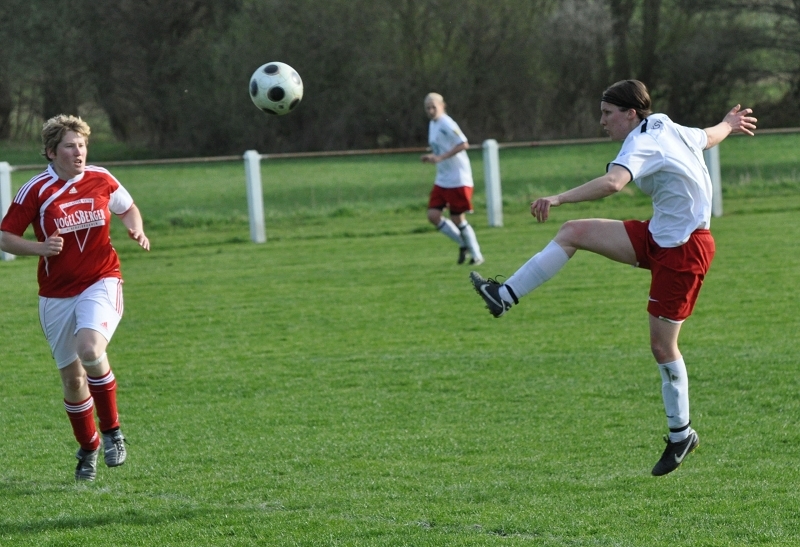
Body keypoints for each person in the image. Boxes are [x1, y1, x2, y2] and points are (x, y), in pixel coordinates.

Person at [470, 80, 757, 476]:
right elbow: (709, 136)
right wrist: (728, 122)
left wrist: (556, 197)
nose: (601, 121)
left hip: (686, 250)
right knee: (574, 232)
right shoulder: (665, 126)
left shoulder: (644, 140)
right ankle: (504, 295)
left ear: (630, 114)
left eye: (607, 113)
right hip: (659, 235)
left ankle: (681, 434)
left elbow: (613, 184)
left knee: (662, 347)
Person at [0, 114, 150, 481]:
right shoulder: (36, 190)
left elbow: (127, 207)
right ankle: (89, 448)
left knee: (90, 349)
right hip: (55, 294)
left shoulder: (101, 178)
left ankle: (113, 430)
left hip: (101, 279)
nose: (79, 152)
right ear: (52, 152)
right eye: (70, 146)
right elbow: (4, 237)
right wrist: (40, 247)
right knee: (72, 381)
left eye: (82, 145)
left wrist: (136, 228)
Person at [421, 92, 484, 266]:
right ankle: (463, 243)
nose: (431, 110)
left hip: (458, 178)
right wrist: (432, 156)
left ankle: (477, 255)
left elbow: (463, 143)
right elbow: (442, 148)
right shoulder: (432, 124)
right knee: (433, 215)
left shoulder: (447, 123)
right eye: (428, 108)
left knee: (458, 218)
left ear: (442, 106)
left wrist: (440, 158)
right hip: (442, 179)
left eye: (434, 107)